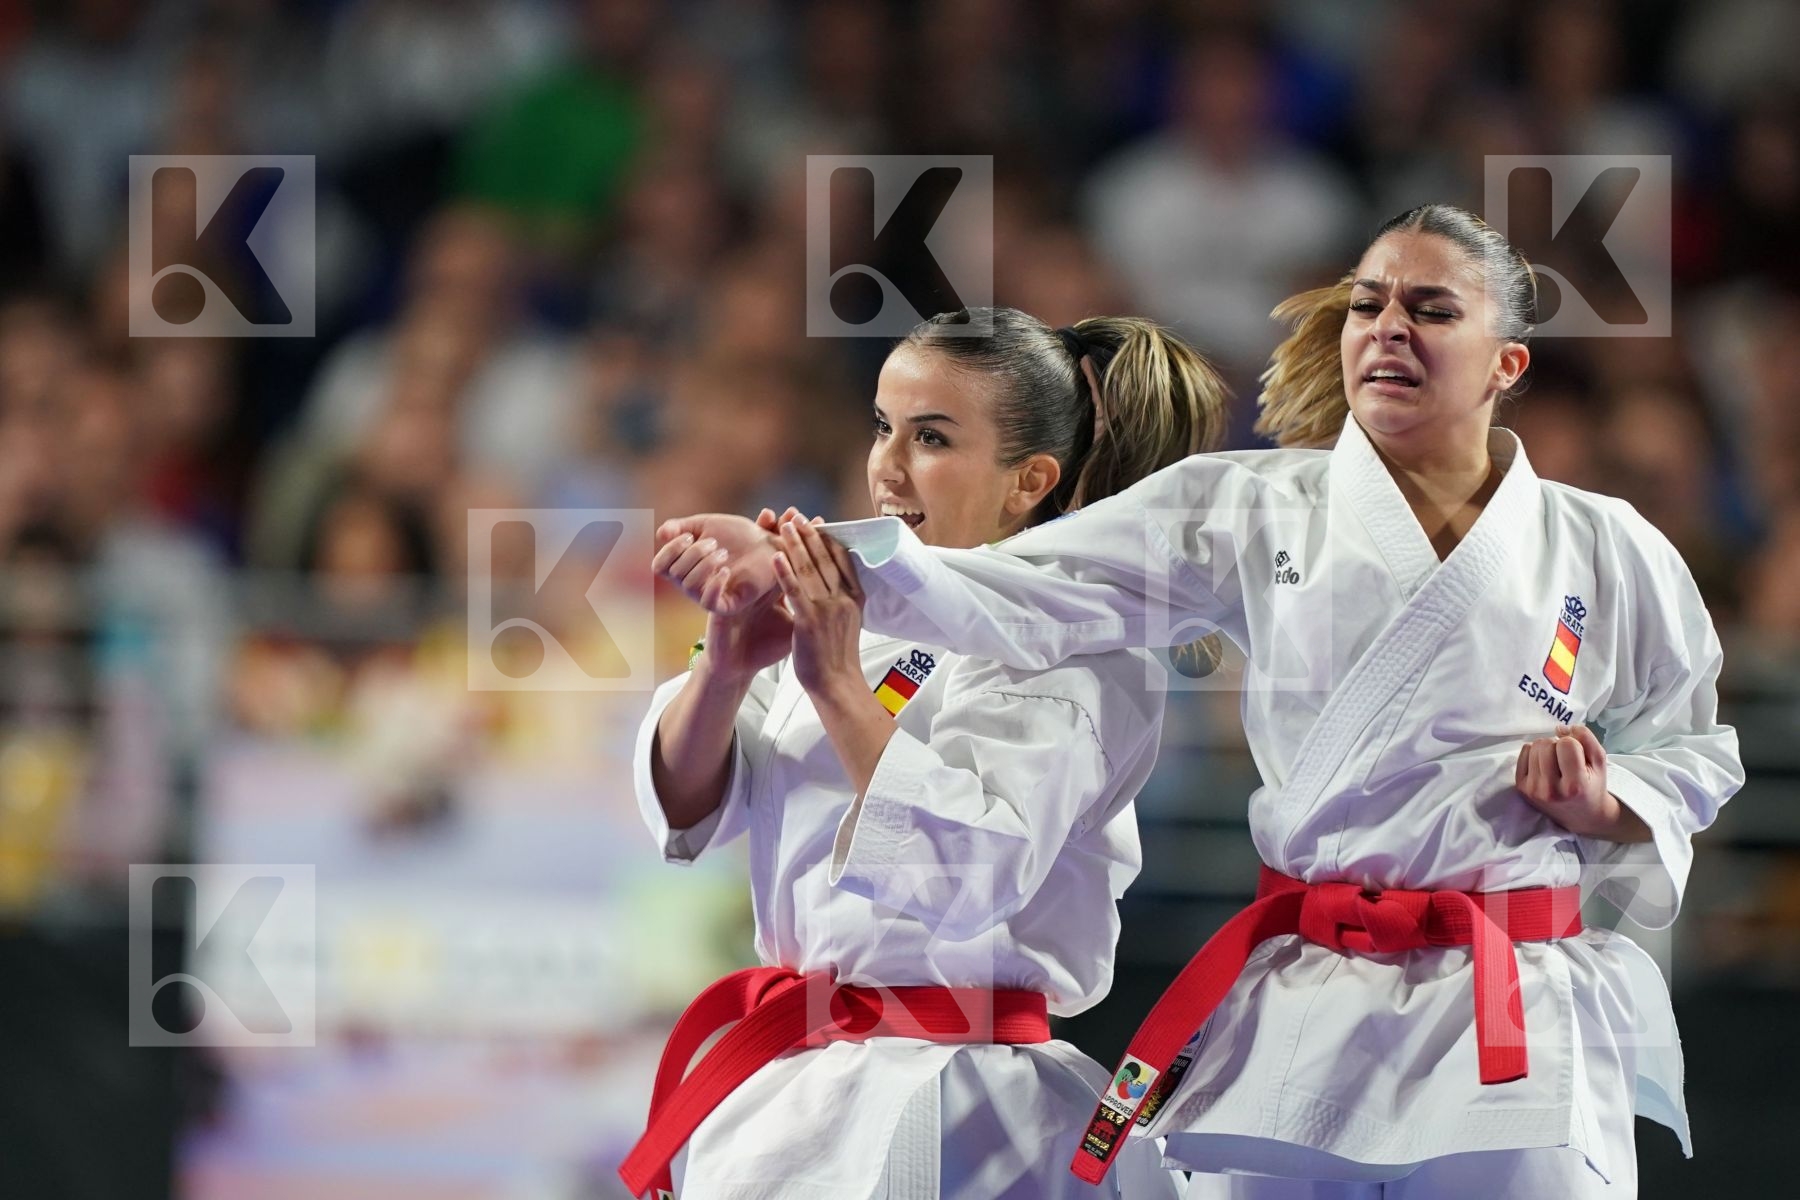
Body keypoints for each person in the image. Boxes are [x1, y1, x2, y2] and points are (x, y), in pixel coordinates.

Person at [662, 206, 1744, 1197]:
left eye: (1430, 309)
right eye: (1367, 304)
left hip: (1512, 1005)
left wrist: (1610, 802)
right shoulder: (1250, 506)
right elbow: (1020, 585)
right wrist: (794, 560)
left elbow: (1693, 743)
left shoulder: (1607, 546)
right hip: (1318, 998)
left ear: (1507, 361)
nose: (1387, 328)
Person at [621, 306, 1228, 1200]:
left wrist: (836, 683)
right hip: (798, 1080)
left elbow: (975, 870)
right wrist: (725, 662)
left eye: (932, 437)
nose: (888, 465)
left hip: (967, 1101)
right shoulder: (847, 611)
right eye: (883, 427)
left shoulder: (1082, 651)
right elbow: (686, 814)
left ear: (1029, 480)